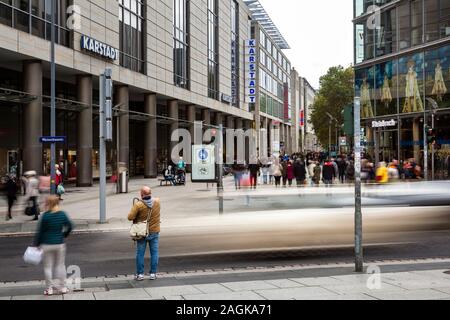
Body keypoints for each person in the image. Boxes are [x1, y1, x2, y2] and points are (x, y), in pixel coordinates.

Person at [33, 195, 73, 296]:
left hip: (46, 244)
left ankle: (49, 289)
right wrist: (64, 234)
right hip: (59, 244)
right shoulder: (62, 214)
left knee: (47, 267)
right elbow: (70, 226)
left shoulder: (45, 216)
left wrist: (36, 244)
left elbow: (40, 232)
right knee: (60, 265)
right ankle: (63, 288)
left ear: (48, 204)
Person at [128, 187, 161, 281]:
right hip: (154, 231)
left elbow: (130, 217)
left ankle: (140, 274)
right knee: (154, 253)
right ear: (150, 193)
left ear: (141, 194)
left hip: (142, 233)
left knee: (140, 254)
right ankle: (153, 274)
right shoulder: (157, 201)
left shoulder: (138, 205)